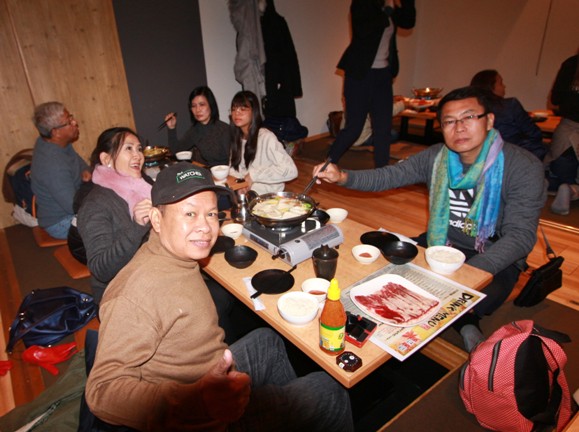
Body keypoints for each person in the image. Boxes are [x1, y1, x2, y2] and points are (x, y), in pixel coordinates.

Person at [85, 162, 353, 431]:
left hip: (210, 371)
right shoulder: (135, 294)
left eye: (211, 213)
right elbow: (102, 392)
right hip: (201, 413)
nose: (205, 226)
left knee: (268, 341)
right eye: (190, 213)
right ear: (156, 219)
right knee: (328, 389)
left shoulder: (174, 254)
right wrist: (194, 401)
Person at [314, 86, 546, 352]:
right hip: (441, 243)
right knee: (385, 270)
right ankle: (459, 321)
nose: (459, 128)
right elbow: (388, 176)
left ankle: (467, 323)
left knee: (467, 297)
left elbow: (520, 237)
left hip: (492, 253)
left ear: (489, 120)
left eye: (469, 117)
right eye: (449, 121)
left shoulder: (522, 166)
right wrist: (342, 176)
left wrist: (467, 274)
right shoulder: (436, 157)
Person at [328, 0, 416, 168]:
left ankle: (382, 174)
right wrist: (387, 10)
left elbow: (408, 22)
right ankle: (327, 166)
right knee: (354, 128)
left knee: (383, 129)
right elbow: (363, 30)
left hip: (383, 75)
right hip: (359, 74)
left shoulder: (392, 8)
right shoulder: (363, 4)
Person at [76, 127, 153, 304]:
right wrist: (137, 226)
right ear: (106, 159)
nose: (138, 155)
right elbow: (101, 270)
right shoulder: (95, 204)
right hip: (120, 293)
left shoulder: (143, 185)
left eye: (139, 149)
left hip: (149, 271)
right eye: (129, 148)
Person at [30, 102, 91, 239]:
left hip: (75, 205)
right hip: (61, 221)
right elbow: (73, 206)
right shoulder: (52, 164)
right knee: (115, 220)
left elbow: (81, 165)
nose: (75, 122)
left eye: (71, 117)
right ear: (55, 132)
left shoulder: (58, 143)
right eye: (69, 121)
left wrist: (86, 170)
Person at [229, 90, 298, 195]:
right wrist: (240, 186)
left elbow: (291, 170)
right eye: (234, 109)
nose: (236, 113)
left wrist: (254, 175)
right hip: (248, 194)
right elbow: (233, 168)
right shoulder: (236, 137)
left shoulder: (266, 137)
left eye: (243, 109)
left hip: (269, 196)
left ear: (254, 111)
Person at [470, 69, 547, 160]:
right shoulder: (510, 105)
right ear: (491, 87)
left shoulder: (471, 110)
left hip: (485, 158)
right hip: (519, 156)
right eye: (501, 83)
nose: (504, 86)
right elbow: (535, 133)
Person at [544, 53, 579, 215]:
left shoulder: (570, 64)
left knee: (556, 171)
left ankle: (548, 184)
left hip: (565, 133)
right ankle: (571, 190)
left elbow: (556, 99)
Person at [164, 85, 231, 167]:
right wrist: (171, 128)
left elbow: (235, 161)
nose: (198, 110)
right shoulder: (195, 130)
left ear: (211, 105)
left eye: (202, 104)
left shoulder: (224, 130)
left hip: (227, 172)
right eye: (194, 106)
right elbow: (176, 151)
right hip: (209, 171)